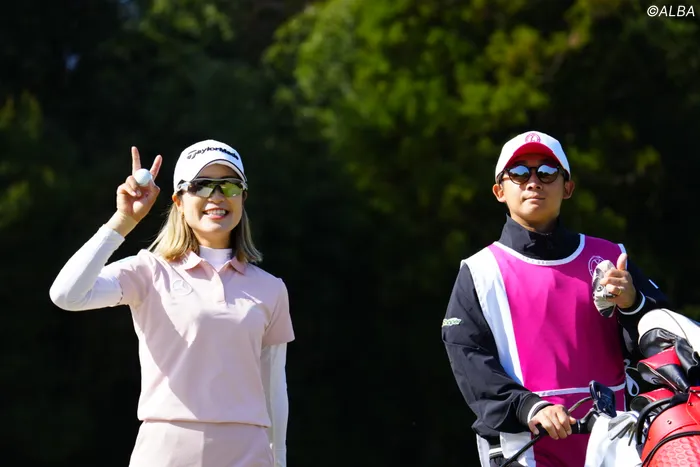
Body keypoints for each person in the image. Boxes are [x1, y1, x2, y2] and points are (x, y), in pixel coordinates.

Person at [50, 140, 294, 467]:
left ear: (243, 197)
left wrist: (279, 459)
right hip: (166, 451)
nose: (217, 196)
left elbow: (273, 386)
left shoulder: (270, 288)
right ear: (178, 200)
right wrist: (123, 221)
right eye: (201, 186)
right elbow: (67, 294)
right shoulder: (148, 271)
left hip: (248, 453)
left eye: (229, 185)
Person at [440, 131, 669, 467]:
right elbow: (468, 356)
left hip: (615, 443)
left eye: (547, 172)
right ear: (500, 191)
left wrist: (633, 304)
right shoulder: (480, 270)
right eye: (519, 173)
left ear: (568, 188)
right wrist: (528, 406)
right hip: (523, 447)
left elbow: (664, 342)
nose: (533, 182)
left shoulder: (612, 257)